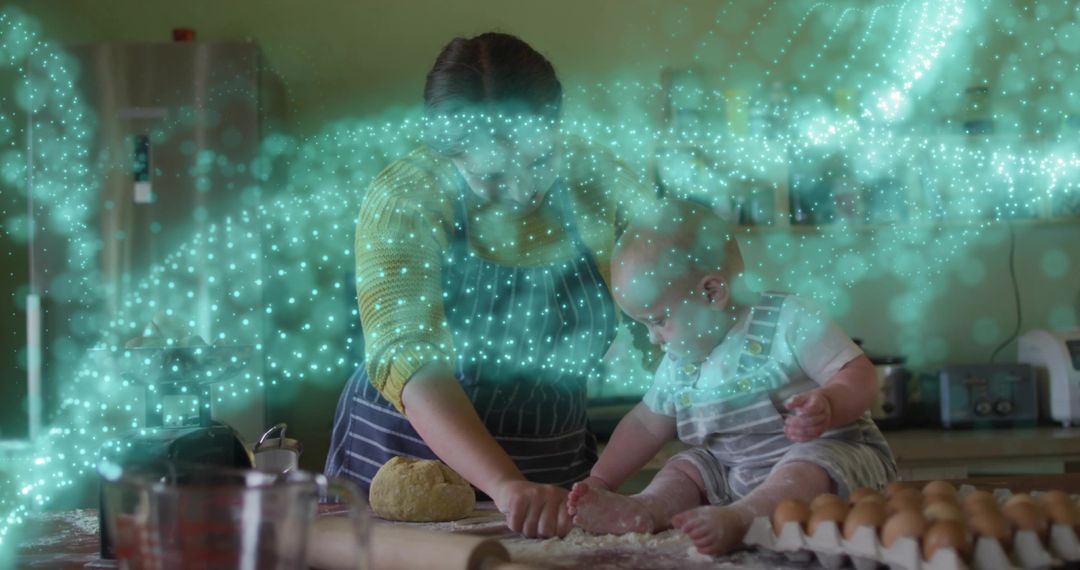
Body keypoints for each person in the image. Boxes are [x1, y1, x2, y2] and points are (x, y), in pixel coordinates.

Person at [324, 32, 653, 538]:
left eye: (540, 161)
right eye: (493, 177)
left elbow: (666, 308)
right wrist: (504, 482)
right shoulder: (407, 196)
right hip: (406, 459)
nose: (523, 191)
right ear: (450, 154)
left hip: (553, 467)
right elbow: (411, 359)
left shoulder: (598, 182)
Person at [566, 200, 897, 554]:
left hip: (829, 461)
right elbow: (646, 425)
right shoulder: (680, 361)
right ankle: (648, 508)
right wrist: (601, 480)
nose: (652, 337)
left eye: (659, 320)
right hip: (736, 472)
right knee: (688, 466)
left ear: (712, 293)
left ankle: (741, 520)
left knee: (807, 464)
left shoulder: (790, 321)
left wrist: (830, 404)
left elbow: (858, 373)